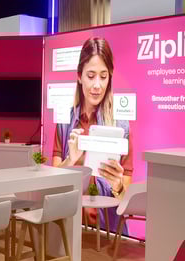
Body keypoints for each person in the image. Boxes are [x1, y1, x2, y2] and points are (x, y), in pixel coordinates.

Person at [52, 37, 132, 232]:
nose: (97, 85)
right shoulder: (65, 122)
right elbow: (53, 184)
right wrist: (70, 160)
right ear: (79, 76)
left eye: (103, 76)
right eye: (91, 75)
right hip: (71, 229)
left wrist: (117, 184)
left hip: (108, 232)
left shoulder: (121, 125)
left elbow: (125, 200)